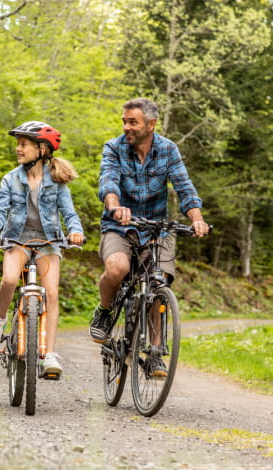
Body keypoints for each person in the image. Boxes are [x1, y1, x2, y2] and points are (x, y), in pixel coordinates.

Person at [89, 98, 210, 373]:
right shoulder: (114, 147)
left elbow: (185, 188)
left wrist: (197, 219)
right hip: (119, 226)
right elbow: (107, 182)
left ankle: (155, 352)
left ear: (151, 124)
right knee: (117, 268)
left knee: (159, 281)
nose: (126, 127)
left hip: (157, 229)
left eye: (133, 122)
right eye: (124, 121)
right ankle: (105, 313)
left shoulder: (168, 149)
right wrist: (115, 206)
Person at [0, 121, 84, 378]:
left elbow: (69, 213)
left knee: (51, 293)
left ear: (41, 150)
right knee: (9, 279)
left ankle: (49, 354)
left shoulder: (57, 181)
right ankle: (0, 318)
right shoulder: (10, 179)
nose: (18, 148)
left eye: (23, 144)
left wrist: (75, 230)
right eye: (18, 143)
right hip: (17, 239)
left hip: (48, 242)